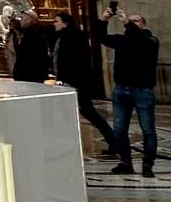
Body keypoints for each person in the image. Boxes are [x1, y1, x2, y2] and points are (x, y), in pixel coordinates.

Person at [94, 4, 161, 176]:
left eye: (136, 21)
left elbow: (139, 41)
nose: (132, 23)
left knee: (148, 129)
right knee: (119, 129)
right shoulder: (122, 40)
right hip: (122, 89)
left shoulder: (150, 41)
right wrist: (103, 20)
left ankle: (148, 165)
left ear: (143, 25)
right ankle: (125, 162)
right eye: (130, 21)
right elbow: (100, 37)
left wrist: (126, 23)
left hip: (143, 90)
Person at [46, 10, 118, 153]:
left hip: (75, 83)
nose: (54, 24)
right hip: (70, 83)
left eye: (56, 21)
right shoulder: (63, 37)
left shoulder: (73, 38)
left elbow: (76, 62)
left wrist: (70, 82)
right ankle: (112, 140)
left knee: (87, 113)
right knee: (84, 113)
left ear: (65, 23)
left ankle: (112, 141)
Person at [8, 10, 53, 83]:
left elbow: (27, 54)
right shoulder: (26, 32)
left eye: (22, 18)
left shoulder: (34, 34)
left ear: (28, 20)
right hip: (28, 73)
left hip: (30, 73)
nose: (20, 21)